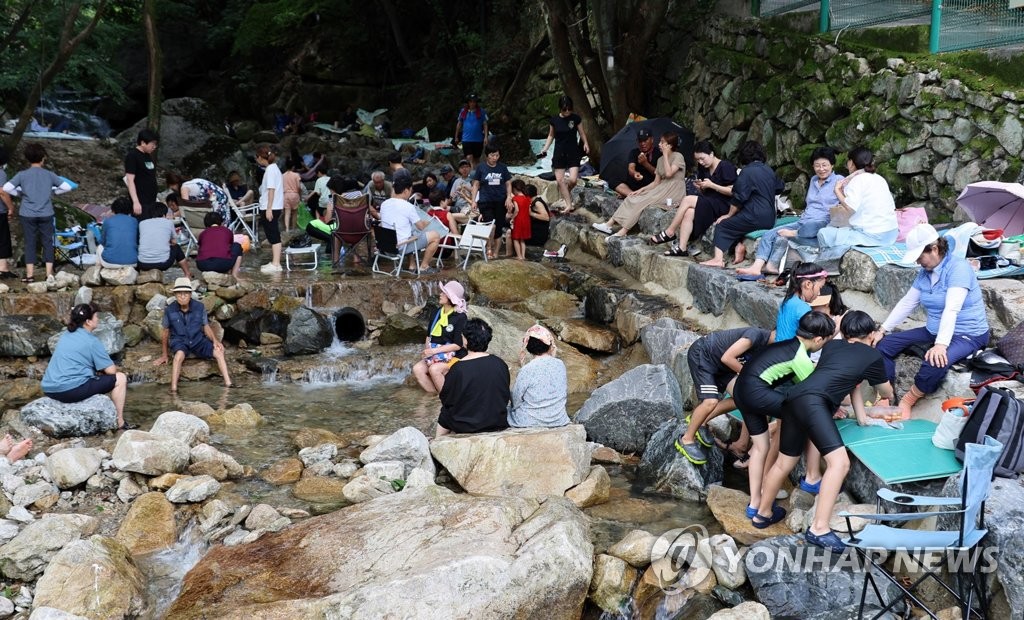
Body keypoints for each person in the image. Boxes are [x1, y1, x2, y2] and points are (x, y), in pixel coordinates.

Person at [754, 311, 894, 552]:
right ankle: (819, 528)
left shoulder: (832, 347)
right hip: (814, 403)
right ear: (871, 334)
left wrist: (862, 419)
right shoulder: (872, 356)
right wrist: (888, 394)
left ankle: (762, 514)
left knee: (784, 462)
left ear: (845, 333)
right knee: (839, 464)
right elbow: (885, 391)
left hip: (792, 399)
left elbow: (853, 385)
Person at [876, 223, 990, 419]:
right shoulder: (925, 273)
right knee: (883, 345)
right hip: (934, 329)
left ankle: (909, 399)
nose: (918, 262)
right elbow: (907, 303)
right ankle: (886, 395)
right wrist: (883, 329)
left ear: (934, 249)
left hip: (967, 334)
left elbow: (951, 309)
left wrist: (940, 345)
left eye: (920, 256)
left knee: (935, 361)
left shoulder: (958, 269)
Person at [734, 311, 836, 519]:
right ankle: (810, 475)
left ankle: (755, 502)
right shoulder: (800, 357)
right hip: (756, 394)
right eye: (825, 341)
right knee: (802, 411)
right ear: (818, 339)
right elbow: (813, 390)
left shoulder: (787, 345)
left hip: (741, 391)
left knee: (761, 447)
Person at [737, 146, 844, 276]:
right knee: (768, 234)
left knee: (810, 227)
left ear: (832, 164)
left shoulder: (840, 181)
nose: (821, 169)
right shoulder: (813, 180)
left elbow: (848, 203)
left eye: (824, 165)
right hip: (804, 221)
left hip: (822, 222)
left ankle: (793, 234)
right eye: (817, 166)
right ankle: (759, 267)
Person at [674, 326, 774, 465]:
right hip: (704, 355)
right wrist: (752, 375)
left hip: (723, 368)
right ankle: (686, 439)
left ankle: (700, 420)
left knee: (746, 398)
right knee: (710, 401)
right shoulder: (756, 335)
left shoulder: (770, 350)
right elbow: (727, 357)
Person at [41, 303, 133, 430]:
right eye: (96, 316)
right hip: (70, 390)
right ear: (88, 322)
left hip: (49, 389)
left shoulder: (66, 335)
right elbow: (111, 371)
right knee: (120, 378)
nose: (98, 319)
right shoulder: (91, 341)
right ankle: (120, 422)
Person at [700, 140, 784, 268]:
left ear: (744, 155)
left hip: (755, 216)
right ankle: (739, 247)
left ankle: (718, 259)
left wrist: (728, 215)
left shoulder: (747, 172)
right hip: (770, 218)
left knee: (724, 225)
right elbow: (779, 187)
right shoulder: (768, 170)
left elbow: (738, 198)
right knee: (739, 223)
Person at [592, 131, 687, 239]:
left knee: (642, 201)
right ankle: (609, 224)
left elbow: (669, 174)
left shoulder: (678, 156)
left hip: (673, 190)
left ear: (669, 145)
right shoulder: (660, 160)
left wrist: (665, 155)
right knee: (633, 197)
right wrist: (641, 190)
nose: (659, 144)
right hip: (661, 188)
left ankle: (622, 232)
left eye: (662, 142)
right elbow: (656, 182)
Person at [2, 143, 74, 283]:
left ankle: (30, 275)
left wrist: (20, 193)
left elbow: (6, 187)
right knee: (47, 242)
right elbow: (66, 187)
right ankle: (49, 275)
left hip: (27, 214)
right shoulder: (49, 174)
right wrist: (52, 192)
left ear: (28, 158)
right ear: (43, 158)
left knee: (30, 243)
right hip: (46, 213)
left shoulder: (22, 175)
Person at [650, 141, 737, 256]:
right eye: (698, 160)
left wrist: (712, 185)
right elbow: (705, 191)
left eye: (702, 158)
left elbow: (733, 191)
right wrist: (701, 187)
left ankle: (670, 232)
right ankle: (682, 248)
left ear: (711, 154)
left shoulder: (725, 166)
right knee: (689, 212)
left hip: (723, 204)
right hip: (709, 203)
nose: (700, 162)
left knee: (687, 199)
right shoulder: (703, 168)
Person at [153, 278, 233, 392]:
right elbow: (165, 332)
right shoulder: (169, 310)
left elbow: (206, 326)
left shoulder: (199, 307)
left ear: (190, 294)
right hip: (179, 341)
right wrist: (164, 355)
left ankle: (228, 384)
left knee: (219, 352)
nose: (182, 296)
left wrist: (215, 341)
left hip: (198, 340)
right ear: (175, 295)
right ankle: (174, 390)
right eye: (179, 293)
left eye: (185, 293)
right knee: (178, 357)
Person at [437, 318, 510, 437]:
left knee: (446, 411)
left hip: (466, 426)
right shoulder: (500, 364)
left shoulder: (458, 368)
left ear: (466, 341)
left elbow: (447, 400)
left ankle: (437, 443)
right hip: (497, 422)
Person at [816, 146, 898, 252]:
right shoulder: (879, 178)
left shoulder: (857, 180)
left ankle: (831, 261)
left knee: (824, 233)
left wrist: (836, 191)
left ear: (851, 163)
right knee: (837, 229)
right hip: (891, 234)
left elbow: (850, 208)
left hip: (873, 236)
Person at [412, 281, 468, 394]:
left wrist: (433, 351)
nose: (440, 294)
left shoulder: (460, 317)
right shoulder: (436, 312)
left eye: (444, 292)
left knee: (434, 369)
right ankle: (435, 396)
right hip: (436, 354)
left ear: (451, 298)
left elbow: (458, 345)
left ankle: (446, 399)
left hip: (455, 356)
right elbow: (429, 336)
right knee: (417, 369)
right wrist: (427, 350)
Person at [508, 324, 569, 428]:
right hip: (558, 419)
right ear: (549, 344)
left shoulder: (527, 369)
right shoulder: (560, 364)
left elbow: (516, 398)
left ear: (528, 347)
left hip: (530, 420)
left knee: (506, 411)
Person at [538, 95, 590, 213]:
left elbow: (581, 133)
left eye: (569, 109)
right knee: (560, 180)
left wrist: (586, 143)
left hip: (573, 151)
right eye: (564, 109)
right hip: (559, 152)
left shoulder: (576, 118)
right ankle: (568, 204)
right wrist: (545, 149)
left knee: (573, 180)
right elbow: (551, 135)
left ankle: (565, 194)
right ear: (560, 108)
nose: (567, 112)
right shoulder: (554, 120)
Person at [380, 175, 440, 273]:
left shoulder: (384, 204)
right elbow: (420, 227)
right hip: (400, 247)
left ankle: (412, 266)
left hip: (385, 247)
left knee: (410, 232)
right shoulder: (408, 206)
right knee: (435, 235)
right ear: (406, 191)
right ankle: (424, 266)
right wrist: (426, 222)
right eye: (411, 190)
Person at [470, 144, 514, 259]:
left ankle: (496, 253)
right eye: (492, 155)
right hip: (485, 201)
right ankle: (489, 248)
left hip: (500, 201)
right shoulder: (481, 167)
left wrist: (509, 197)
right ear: (487, 156)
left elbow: (508, 183)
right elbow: (476, 184)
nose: (495, 157)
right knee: (491, 225)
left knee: (498, 228)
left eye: (497, 155)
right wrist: (473, 200)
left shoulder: (502, 167)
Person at [137, 202, 193, 278]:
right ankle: (187, 274)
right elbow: (174, 241)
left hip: (142, 264)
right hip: (163, 264)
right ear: (164, 214)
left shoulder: (142, 223)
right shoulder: (168, 223)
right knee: (176, 247)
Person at [776, 262, 828, 340]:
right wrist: (837, 324)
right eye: (820, 288)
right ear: (808, 284)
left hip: (779, 349)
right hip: (794, 351)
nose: (819, 293)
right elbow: (814, 342)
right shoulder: (803, 308)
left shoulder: (787, 301)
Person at [255, 145, 284, 273]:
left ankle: (276, 264)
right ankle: (274, 262)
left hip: (271, 206)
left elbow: (271, 189)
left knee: (273, 234)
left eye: (257, 157)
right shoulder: (273, 168)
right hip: (273, 205)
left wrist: (269, 208)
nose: (256, 160)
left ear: (262, 158)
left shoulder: (271, 170)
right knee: (272, 234)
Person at [614, 128, 661, 198]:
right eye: (640, 141)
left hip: (650, 184)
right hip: (635, 183)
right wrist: (634, 173)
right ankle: (633, 195)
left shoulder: (658, 153)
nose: (643, 144)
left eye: (645, 140)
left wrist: (645, 164)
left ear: (652, 140)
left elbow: (659, 174)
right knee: (613, 180)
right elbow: (631, 168)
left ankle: (629, 195)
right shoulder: (634, 152)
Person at [165, 173, 231, 222]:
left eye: (173, 188)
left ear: (174, 184)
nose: (174, 191)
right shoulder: (190, 182)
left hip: (217, 200)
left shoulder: (184, 188)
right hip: (220, 197)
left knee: (216, 223)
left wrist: (173, 216)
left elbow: (184, 208)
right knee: (222, 222)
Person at [196, 211, 243, 277]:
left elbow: (200, 247)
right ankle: (234, 276)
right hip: (222, 264)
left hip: (202, 265)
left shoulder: (202, 233)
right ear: (221, 222)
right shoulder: (227, 231)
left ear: (206, 223)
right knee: (237, 246)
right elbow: (230, 246)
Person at [125, 129, 159, 216]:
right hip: (141, 201)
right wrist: (136, 202)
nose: (154, 146)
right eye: (153, 144)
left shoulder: (147, 155)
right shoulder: (133, 156)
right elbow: (130, 180)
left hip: (151, 199)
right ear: (143, 142)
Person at [97, 197, 138, 268]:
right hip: (133, 262)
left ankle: (97, 272)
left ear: (113, 209)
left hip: (110, 263)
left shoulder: (108, 221)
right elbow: (136, 241)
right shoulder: (134, 221)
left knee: (99, 247)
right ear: (130, 209)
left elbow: (102, 241)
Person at [454, 94, 489, 169]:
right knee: (469, 157)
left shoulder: (481, 112)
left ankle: (475, 174)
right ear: (468, 102)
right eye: (471, 101)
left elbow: (485, 124)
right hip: (466, 139)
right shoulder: (463, 112)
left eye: (474, 102)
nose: (472, 103)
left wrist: (486, 137)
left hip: (478, 139)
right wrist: (456, 136)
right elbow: (459, 124)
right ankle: (471, 173)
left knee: (476, 159)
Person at [0, 147, 17, 279]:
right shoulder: (1, 173)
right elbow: (2, 192)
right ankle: (3, 268)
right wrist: (10, 207)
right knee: (2, 239)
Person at [509, 178, 531, 260]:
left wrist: (512, 218)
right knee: (522, 239)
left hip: (519, 220)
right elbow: (529, 211)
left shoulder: (515, 199)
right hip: (526, 220)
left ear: (514, 189)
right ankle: (523, 256)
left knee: (515, 238)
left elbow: (517, 210)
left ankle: (519, 256)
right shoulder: (527, 198)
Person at [282, 160, 303, 232]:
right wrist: (300, 195)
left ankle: (287, 229)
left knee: (287, 213)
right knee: (294, 213)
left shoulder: (283, 175)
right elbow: (299, 187)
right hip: (295, 195)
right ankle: (293, 228)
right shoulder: (296, 175)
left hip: (286, 195)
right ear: (293, 167)